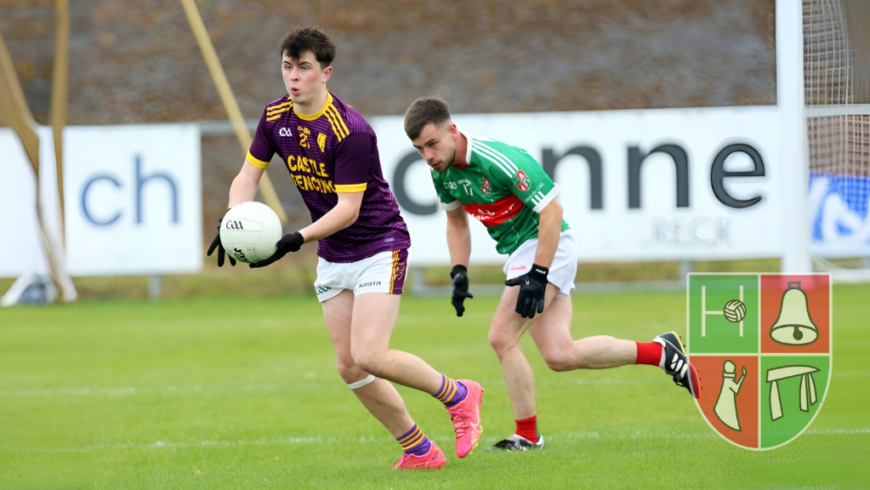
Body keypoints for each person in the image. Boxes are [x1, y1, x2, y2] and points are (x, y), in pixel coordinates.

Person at [207, 28, 483, 469]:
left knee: (370, 354)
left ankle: (460, 394)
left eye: (304, 68)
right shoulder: (275, 116)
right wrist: (234, 216)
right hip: (335, 254)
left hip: (378, 243)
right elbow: (247, 175)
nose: (293, 78)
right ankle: (419, 450)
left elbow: (349, 209)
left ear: (325, 72)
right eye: (287, 67)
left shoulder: (350, 131)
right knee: (350, 367)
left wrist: (295, 238)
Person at [403, 97, 699, 451]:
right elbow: (456, 221)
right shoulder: (442, 172)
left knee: (501, 337)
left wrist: (538, 274)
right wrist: (459, 271)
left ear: (452, 130)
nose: (428, 156)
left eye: (432, 144)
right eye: (420, 149)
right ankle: (662, 352)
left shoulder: (501, 160)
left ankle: (527, 435)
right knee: (561, 355)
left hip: (547, 247)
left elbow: (553, 212)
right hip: (523, 253)